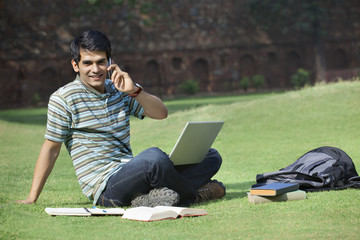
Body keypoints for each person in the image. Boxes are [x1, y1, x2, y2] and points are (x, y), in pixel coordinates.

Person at [17, 30, 225, 207]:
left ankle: (150, 197)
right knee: (154, 158)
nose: (95, 69)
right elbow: (51, 148)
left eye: (101, 62)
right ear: (75, 65)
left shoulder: (118, 90)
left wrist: (134, 91)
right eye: (87, 63)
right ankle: (193, 195)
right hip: (106, 188)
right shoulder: (63, 99)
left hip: (132, 171)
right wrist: (31, 198)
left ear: (110, 62)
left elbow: (161, 114)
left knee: (210, 156)